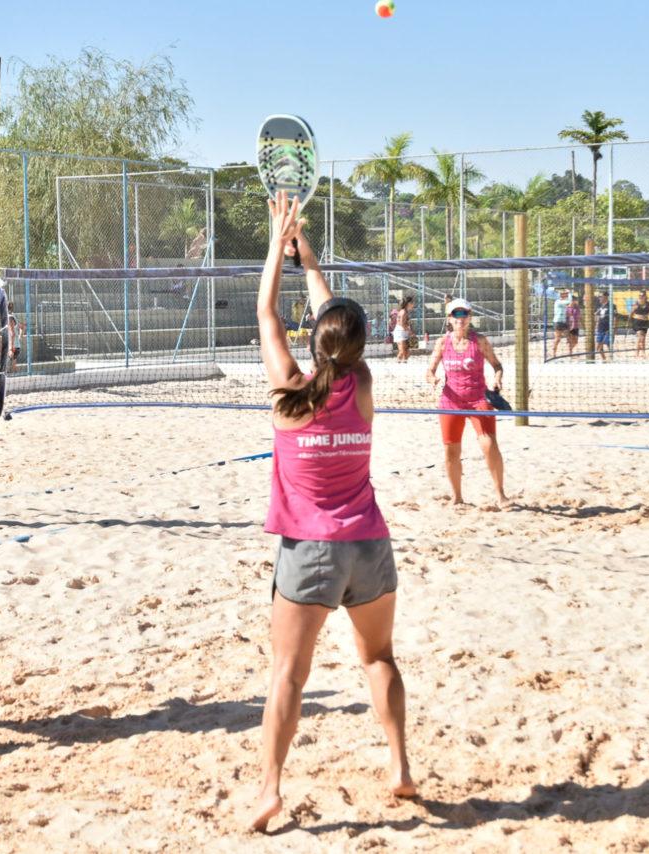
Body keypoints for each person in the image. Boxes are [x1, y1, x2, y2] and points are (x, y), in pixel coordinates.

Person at [248, 191, 414, 832]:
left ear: (313, 345)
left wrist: (277, 244)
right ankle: (399, 765)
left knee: (288, 674)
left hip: (309, 550)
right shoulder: (363, 384)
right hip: (369, 547)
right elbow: (335, 327)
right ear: (360, 347)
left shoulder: (289, 394)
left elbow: (267, 313)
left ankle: (270, 790)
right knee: (379, 659)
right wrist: (309, 258)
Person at [426, 298, 510, 506]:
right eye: (456, 315)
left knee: (489, 445)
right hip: (450, 401)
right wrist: (432, 378)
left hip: (478, 398)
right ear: (449, 319)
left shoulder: (479, 341)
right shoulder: (443, 342)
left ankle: (500, 494)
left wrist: (497, 379)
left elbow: (497, 365)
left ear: (470, 317)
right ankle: (457, 496)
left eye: (464, 314)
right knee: (451, 450)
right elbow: (429, 370)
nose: (460, 319)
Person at [631, 289, 649, 359]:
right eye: (639, 295)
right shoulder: (636, 303)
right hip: (637, 322)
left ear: (645, 296)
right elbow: (631, 313)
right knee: (640, 338)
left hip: (645, 322)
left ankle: (640, 353)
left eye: (642, 295)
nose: (640, 296)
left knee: (643, 339)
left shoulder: (648, 304)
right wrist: (628, 322)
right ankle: (639, 353)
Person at [393, 296, 415, 361]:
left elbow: (406, 324)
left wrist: (410, 330)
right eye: (412, 302)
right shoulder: (403, 312)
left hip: (403, 331)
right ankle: (400, 363)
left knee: (406, 352)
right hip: (400, 332)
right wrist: (410, 332)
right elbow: (402, 324)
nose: (413, 304)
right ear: (408, 303)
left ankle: (399, 362)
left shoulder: (405, 311)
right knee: (403, 352)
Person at [550, 288, 570, 358]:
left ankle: (570, 352)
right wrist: (568, 292)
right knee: (558, 339)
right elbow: (569, 301)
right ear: (561, 295)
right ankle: (554, 353)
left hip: (564, 321)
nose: (566, 294)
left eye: (566, 294)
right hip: (558, 322)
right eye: (565, 294)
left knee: (569, 337)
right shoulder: (558, 301)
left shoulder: (564, 302)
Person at [595, 292, 612, 362]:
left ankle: (611, 359)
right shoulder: (600, 307)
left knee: (608, 345)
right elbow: (597, 316)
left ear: (606, 297)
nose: (599, 298)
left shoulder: (611, 306)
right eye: (599, 297)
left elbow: (615, 318)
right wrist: (596, 326)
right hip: (600, 329)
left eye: (601, 296)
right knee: (598, 348)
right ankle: (604, 360)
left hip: (608, 329)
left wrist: (614, 329)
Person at [6, 304, 22, 373]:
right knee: (13, 367)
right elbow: (22, 327)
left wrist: (10, 348)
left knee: (10, 368)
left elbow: (12, 334)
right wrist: (20, 337)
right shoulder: (13, 316)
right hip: (16, 345)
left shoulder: (9, 318)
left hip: (12, 346)